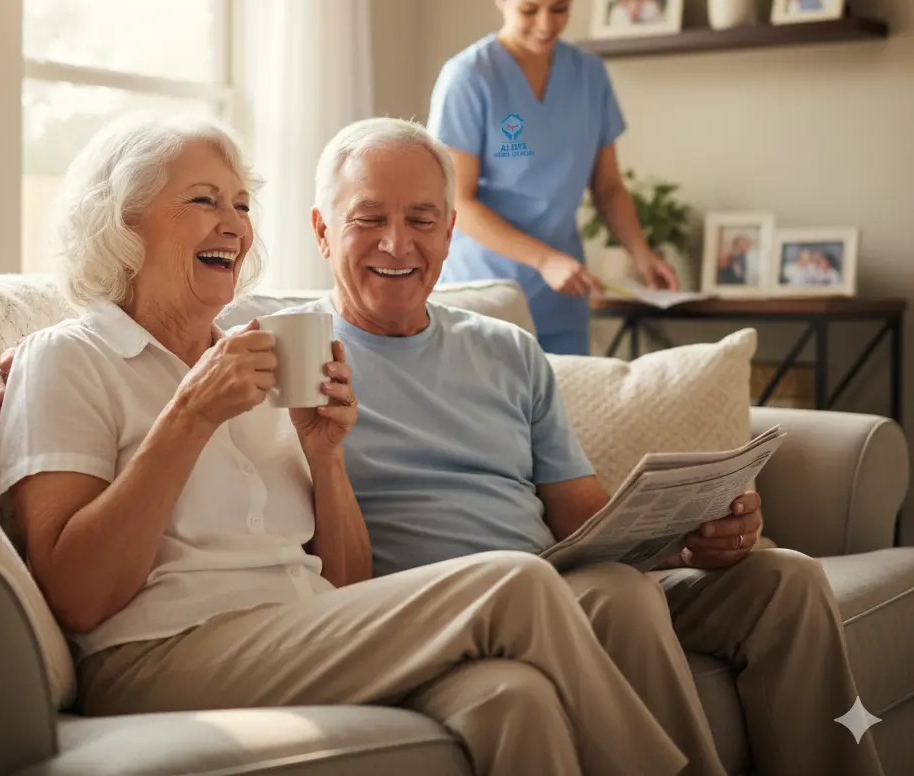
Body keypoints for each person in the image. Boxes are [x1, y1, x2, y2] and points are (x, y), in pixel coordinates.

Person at [0, 112, 692, 776]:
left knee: (513, 696)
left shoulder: (262, 355)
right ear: (121, 223)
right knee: (518, 580)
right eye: (205, 201)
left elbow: (349, 584)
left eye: (241, 204)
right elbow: (78, 597)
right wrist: (188, 417)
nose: (233, 225)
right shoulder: (66, 360)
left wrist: (326, 457)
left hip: (300, 627)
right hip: (152, 653)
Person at [273, 118, 880, 776]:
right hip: (449, 611)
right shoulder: (297, 358)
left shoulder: (506, 350)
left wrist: (689, 536)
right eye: (369, 218)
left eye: (422, 220)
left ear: (450, 232)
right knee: (618, 594)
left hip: (561, 582)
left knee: (784, 580)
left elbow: (580, 514)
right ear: (322, 230)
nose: (398, 243)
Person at [427, 0, 677, 356]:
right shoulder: (470, 77)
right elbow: (457, 201)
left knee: (565, 415)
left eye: (559, 9)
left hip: (562, 295)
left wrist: (642, 253)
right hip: (486, 292)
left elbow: (608, 188)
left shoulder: (589, 76)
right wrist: (543, 259)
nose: (546, 24)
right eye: (529, 9)